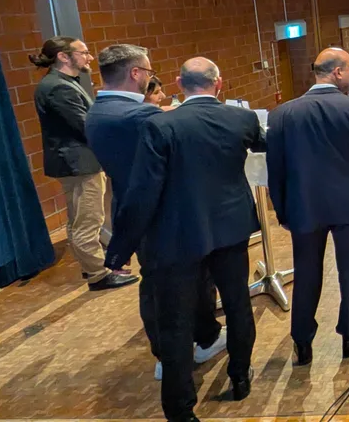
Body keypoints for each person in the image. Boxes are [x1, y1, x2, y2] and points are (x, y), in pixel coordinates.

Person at [107, 57, 267, 419]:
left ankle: (180, 409)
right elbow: (266, 145)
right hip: (230, 230)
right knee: (238, 304)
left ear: (179, 83)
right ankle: (240, 377)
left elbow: (142, 192)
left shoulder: (161, 126)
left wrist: (120, 249)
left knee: (176, 322)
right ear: (219, 83)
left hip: (179, 236)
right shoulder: (241, 118)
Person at [86, 45, 227, 381]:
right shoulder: (141, 117)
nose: (149, 79)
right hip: (171, 212)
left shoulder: (96, 112)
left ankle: (171, 349)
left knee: (155, 282)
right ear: (135, 73)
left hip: (135, 211)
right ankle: (197, 342)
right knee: (188, 282)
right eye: (148, 73)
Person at [266, 48, 349, 368]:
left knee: (307, 272)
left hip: (303, 207)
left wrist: (281, 210)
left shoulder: (282, 114)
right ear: (337, 72)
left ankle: (302, 341)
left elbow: (275, 169)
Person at [31, 36, 138, 291]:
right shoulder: (58, 87)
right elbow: (86, 126)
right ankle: (98, 274)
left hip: (76, 162)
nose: (89, 58)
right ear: (63, 57)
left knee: (81, 219)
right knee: (87, 220)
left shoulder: (62, 83)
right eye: (84, 52)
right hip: (78, 163)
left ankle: (95, 266)